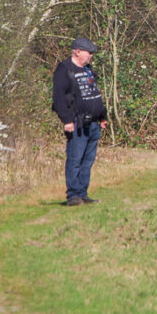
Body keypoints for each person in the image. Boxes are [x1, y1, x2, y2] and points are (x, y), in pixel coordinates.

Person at [51, 37, 108, 206]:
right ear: (77, 51)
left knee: (87, 161)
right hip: (76, 123)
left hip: (93, 123)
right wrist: (67, 120)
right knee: (75, 160)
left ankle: (83, 193)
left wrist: (102, 116)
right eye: (88, 52)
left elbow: (94, 94)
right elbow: (58, 98)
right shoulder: (64, 69)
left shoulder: (87, 69)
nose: (91, 56)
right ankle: (73, 195)